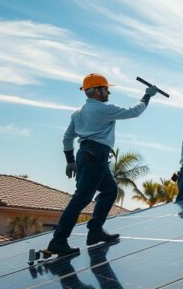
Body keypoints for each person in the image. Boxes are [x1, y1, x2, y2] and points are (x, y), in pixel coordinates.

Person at [48, 73, 158, 256]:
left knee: (109, 191)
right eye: (106, 89)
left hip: (87, 155)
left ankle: (95, 231)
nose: (108, 92)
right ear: (97, 91)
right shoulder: (102, 109)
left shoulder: (78, 113)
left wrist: (70, 160)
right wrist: (148, 95)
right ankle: (58, 241)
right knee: (81, 199)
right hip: (96, 156)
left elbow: (68, 138)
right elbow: (134, 112)